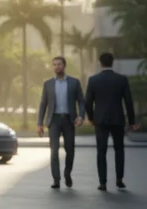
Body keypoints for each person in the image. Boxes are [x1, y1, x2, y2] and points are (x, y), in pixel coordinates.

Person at [85, 52, 139, 191]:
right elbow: (128, 101)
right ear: (112, 62)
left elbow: (88, 103)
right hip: (117, 119)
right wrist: (132, 121)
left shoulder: (93, 80)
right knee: (119, 149)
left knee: (101, 151)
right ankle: (119, 180)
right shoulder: (121, 79)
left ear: (100, 63)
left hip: (100, 120)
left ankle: (102, 182)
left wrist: (91, 118)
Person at [37, 56, 86, 189]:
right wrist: (39, 123)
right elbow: (43, 104)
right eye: (54, 65)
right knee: (54, 151)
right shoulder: (48, 84)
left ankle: (67, 173)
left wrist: (81, 116)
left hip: (69, 120)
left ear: (64, 66)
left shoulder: (74, 83)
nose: (56, 67)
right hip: (54, 120)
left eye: (59, 64)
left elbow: (81, 101)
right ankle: (56, 179)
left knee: (70, 150)